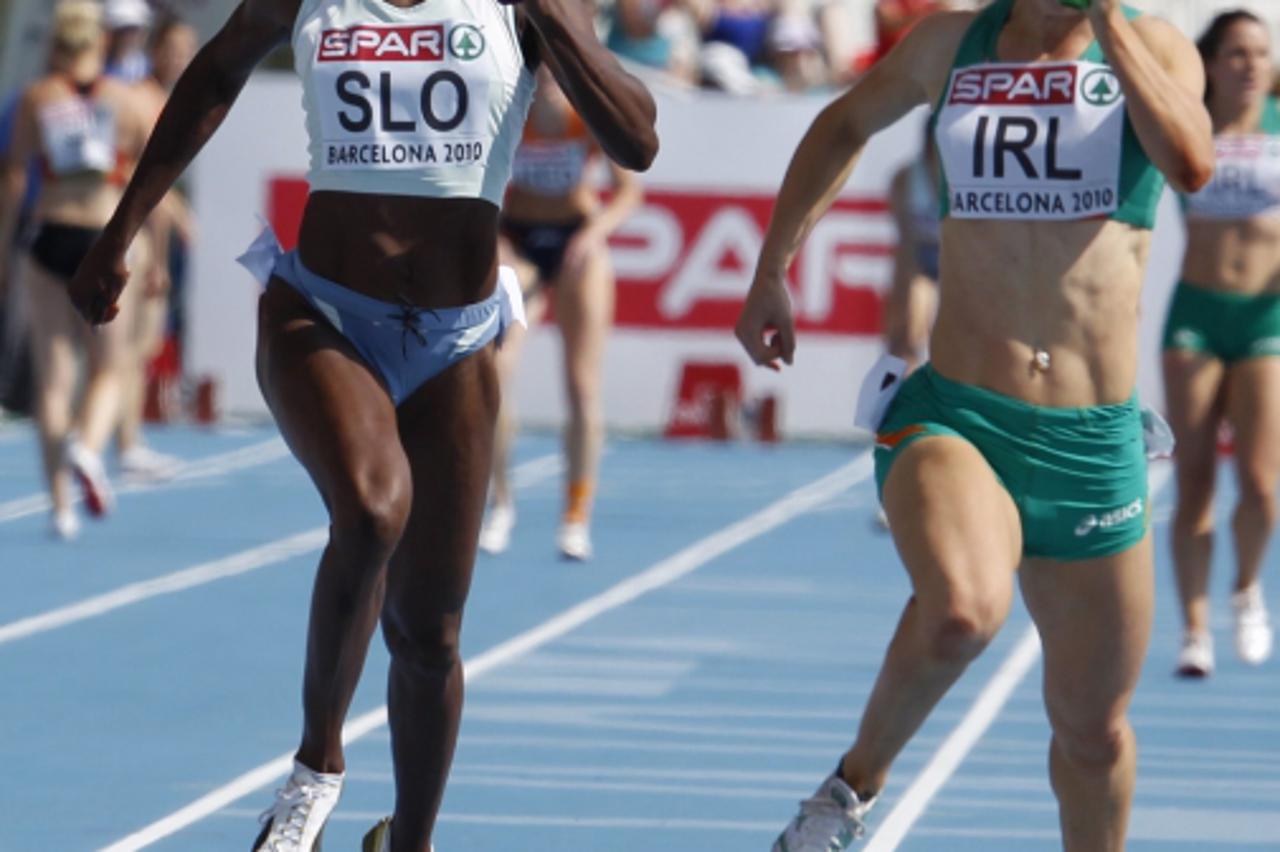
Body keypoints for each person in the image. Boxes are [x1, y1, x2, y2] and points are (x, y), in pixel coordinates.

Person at [68, 0, 656, 849]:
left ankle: (409, 841)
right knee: (376, 508)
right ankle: (314, 775)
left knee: (432, 635)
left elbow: (637, 140)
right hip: (324, 312)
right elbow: (215, 71)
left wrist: (552, 22)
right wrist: (118, 230)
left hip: (453, 340)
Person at [735, 0, 1212, 849]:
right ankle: (845, 796)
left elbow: (1191, 163)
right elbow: (842, 124)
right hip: (960, 416)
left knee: (1094, 734)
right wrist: (774, 266)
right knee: (962, 609)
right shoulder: (952, 44)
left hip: (1092, 444)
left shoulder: (1157, 46)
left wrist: (1109, 25)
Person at [0, 0, 157, 539]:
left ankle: (60, 508)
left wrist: (4, 251)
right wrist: (153, 249)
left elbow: (16, 180)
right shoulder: (128, 99)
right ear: (101, 41)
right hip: (103, 234)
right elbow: (147, 180)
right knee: (111, 367)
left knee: (53, 375)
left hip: (50, 234)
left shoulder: (36, 98)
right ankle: (89, 448)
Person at [479, 65, 643, 561]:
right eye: (541, 65)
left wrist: (594, 233)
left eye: (557, 66)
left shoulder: (584, 114)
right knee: (493, 371)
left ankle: (576, 514)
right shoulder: (508, 110)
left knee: (581, 383)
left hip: (576, 237)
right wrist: (499, 241)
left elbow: (629, 190)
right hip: (520, 239)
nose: (549, 76)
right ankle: (500, 502)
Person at [1163, 9, 1278, 678]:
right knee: (1195, 481)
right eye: (1236, 52)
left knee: (1262, 486)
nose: (1251, 64)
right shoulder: (1189, 129)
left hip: (1267, 318)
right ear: (1211, 62)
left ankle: (1246, 587)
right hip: (1196, 317)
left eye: (1260, 52)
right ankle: (1196, 627)